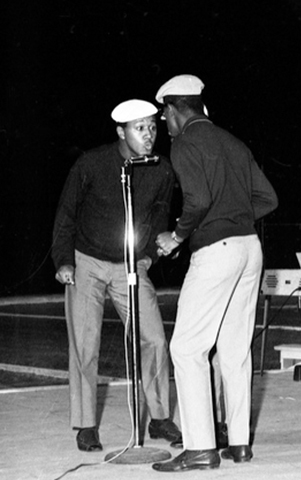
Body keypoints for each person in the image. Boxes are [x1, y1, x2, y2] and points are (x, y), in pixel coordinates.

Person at [151, 74, 278, 472]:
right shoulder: (233, 142)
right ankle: (238, 443)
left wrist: (177, 235)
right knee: (234, 350)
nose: (164, 127)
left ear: (172, 111)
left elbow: (199, 198)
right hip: (249, 248)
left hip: (217, 252)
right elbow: (268, 198)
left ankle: (201, 448)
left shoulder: (185, 142)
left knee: (187, 349)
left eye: (164, 117)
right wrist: (234, 218)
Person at [51, 99, 182, 452]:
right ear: (121, 132)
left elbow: (159, 216)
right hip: (87, 262)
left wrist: (148, 257)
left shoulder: (161, 170)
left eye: (153, 127)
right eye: (141, 129)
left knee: (154, 338)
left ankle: (158, 418)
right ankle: (86, 424)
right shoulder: (91, 163)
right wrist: (64, 261)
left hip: (130, 264)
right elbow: (66, 214)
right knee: (85, 344)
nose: (150, 135)